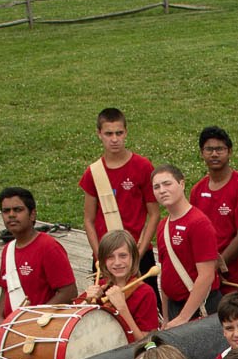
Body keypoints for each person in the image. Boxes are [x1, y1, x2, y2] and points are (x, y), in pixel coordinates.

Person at [79, 107, 159, 266]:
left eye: (119, 133)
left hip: (138, 252)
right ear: (99, 134)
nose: (114, 139)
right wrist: (99, 255)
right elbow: (88, 220)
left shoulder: (142, 166)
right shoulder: (93, 172)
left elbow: (154, 214)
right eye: (109, 134)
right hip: (106, 255)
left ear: (126, 133)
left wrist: (139, 253)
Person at [193, 126, 238, 293]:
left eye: (220, 149)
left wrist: (218, 265)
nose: (214, 154)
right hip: (208, 275)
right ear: (202, 153)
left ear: (229, 152)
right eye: (209, 149)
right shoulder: (197, 190)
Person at [0, 186, 78, 320]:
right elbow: (6, 291)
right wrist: (1, 323)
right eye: (6, 211)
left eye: (18, 210)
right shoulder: (7, 250)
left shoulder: (49, 247)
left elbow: (69, 292)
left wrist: (34, 320)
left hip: (40, 331)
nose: (11, 215)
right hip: (12, 333)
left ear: (32, 214)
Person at [153, 162, 220, 326]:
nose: (162, 190)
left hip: (199, 308)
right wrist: (167, 316)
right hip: (175, 308)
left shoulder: (199, 223)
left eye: (167, 184)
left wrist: (183, 317)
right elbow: (166, 272)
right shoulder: (163, 225)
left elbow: (206, 275)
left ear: (181, 184)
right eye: (156, 187)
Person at [81, 229, 160, 334]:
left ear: (133, 257)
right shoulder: (101, 286)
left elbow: (146, 343)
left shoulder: (145, 293)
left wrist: (122, 308)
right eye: (110, 257)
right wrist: (87, 301)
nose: (117, 262)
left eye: (123, 256)